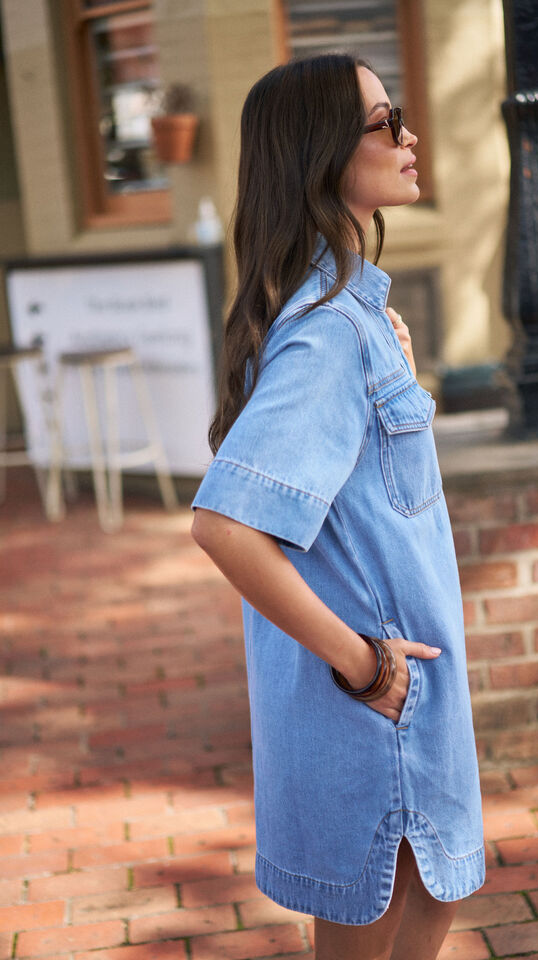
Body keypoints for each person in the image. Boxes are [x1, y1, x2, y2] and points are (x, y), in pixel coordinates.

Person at [191, 53, 484, 960]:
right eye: (385, 122)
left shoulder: (342, 318)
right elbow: (225, 526)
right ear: (323, 156)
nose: (410, 136)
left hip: (396, 697)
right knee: (402, 911)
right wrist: (365, 668)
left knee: (427, 901)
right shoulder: (328, 333)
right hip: (376, 704)